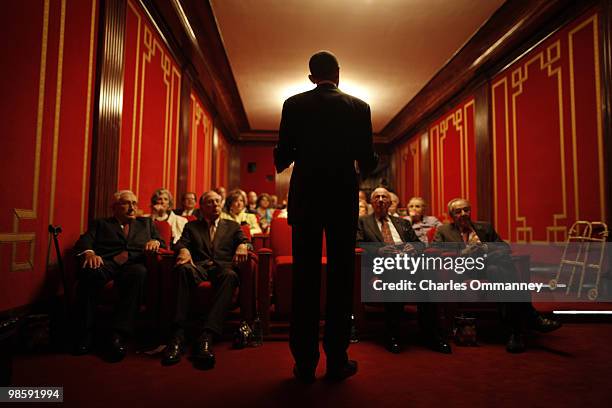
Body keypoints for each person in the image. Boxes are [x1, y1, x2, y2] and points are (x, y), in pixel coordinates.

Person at [274, 50, 378, 382]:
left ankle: (304, 363)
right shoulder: (359, 106)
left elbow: (284, 153)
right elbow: (367, 158)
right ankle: (337, 360)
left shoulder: (293, 104)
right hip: (341, 197)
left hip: (305, 197)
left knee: (305, 278)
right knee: (340, 278)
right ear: (339, 74)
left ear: (310, 77)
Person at [434, 198, 562, 353]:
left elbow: (504, 248)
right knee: (499, 269)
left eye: (466, 210)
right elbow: (436, 254)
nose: (463, 214)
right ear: (451, 215)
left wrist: (485, 247)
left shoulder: (484, 227)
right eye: (458, 211)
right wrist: (465, 252)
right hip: (461, 271)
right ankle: (528, 318)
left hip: (488, 269)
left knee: (496, 269)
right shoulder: (443, 231)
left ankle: (515, 334)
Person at [162, 191, 251, 369]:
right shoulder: (192, 226)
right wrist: (183, 250)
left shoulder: (232, 225)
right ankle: (178, 334)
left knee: (231, 276)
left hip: (222, 268)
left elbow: (246, 241)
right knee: (183, 269)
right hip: (200, 267)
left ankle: (207, 334)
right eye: (210, 202)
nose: (215, 205)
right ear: (201, 207)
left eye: (218, 201)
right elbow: (180, 243)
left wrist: (243, 245)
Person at [72, 190, 164, 361]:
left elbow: (162, 242)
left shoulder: (147, 223)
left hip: (134, 263)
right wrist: (90, 253)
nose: (132, 207)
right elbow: (84, 241)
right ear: (114, 207)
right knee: (89, 272)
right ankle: (85, 334)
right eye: (126, 203)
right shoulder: (101, 224)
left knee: (139, 273)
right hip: (107, 262)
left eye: (135, 203)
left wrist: (155, 241)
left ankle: (118, 334)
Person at [357, 187, 450, 354]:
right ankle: (392, 335)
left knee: (428, 273)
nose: (380, 200)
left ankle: (431, 334)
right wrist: (378, 250)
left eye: (384, 197)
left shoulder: (403, 223)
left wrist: (412, 248)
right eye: (376, 197)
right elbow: (357, 244)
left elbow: (419, 244)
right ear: (372, 202)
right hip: (380, 265)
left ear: (390, 202)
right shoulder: (362, 222)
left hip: (409, 264)